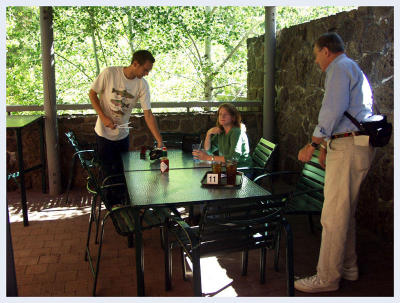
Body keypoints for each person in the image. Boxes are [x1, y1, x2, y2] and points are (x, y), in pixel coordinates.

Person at [295, 32, 375, 293]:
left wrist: (314, 143)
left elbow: (332, 108)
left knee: (332, 216)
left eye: (317, 55)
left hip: (349, 147)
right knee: (344, 212)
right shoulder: (353, 68)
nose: (317, 61)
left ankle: (327, 278)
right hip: (353, 144)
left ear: (326, 51)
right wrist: (329, 145)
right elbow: (346, 111)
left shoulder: (339, 68)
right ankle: (348, 267)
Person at [89, 50, 163, 179]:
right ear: (135, 64)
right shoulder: (110, 73)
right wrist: (103, 117)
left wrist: (160, 141)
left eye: (148, 71)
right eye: (145, 70)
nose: (147, 74)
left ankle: (122, 199)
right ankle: (107, 199)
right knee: (107, 175)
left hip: (123, 135)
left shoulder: (142, 84)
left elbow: (148, 114)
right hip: (103, 134)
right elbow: (92, 93)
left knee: (123, 174)